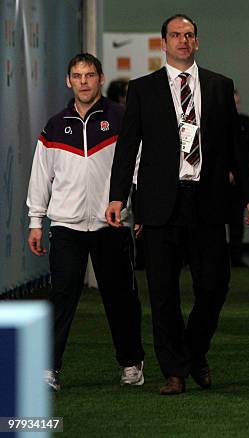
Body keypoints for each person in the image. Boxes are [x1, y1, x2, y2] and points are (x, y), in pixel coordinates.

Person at [105, 14, 249, 395]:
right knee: (163, 293)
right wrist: (117, 195)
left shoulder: (219, 86)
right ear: (164, 42)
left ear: (197, 41)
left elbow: (234, 149)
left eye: (189, 35)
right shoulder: (142, 89)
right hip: (160, 203)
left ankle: (194, 351)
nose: (182, 41)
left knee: (215, 285)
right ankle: (174, 371)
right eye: (175, 35)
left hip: (207, 201)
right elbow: (128, 147)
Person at [26, 53, 145, 391]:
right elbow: (40, 177)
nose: (83, 81)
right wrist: (36, 221)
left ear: (101, 78)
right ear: (68, 80)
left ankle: (132, 363)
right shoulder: (54, 125)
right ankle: (48, 369)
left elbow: (137, 169)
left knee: (120, 297)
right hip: (66, 225)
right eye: (77, 76)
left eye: (89, 75)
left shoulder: (121, 119)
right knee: (61, 297)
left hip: (113, 225)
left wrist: (138, 209)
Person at [228, 89, 249, 267]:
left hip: (239, 179)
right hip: (215, 179)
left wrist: (238, 173)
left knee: (237, 219)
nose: (235, 106)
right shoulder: (214, 121)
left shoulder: (245, 122)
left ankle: (236, 256)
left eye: (237, 103)